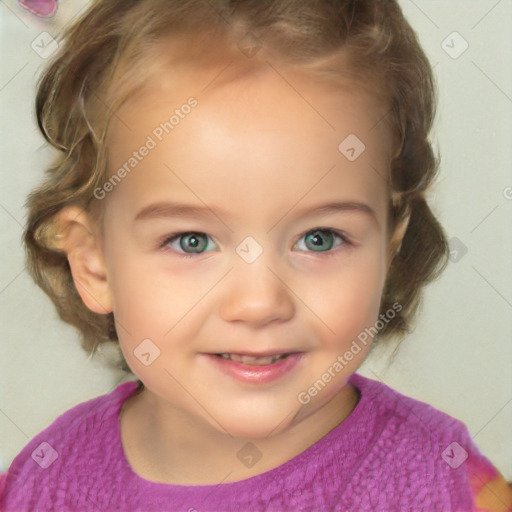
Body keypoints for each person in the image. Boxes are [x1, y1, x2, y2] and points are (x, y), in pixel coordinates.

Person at [1, 0, 511, 510]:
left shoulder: (451, 492)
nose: (260, 302)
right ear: (94, 262)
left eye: (320, 238)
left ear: (389, 252)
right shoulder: (41, 484)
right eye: (191, 241)